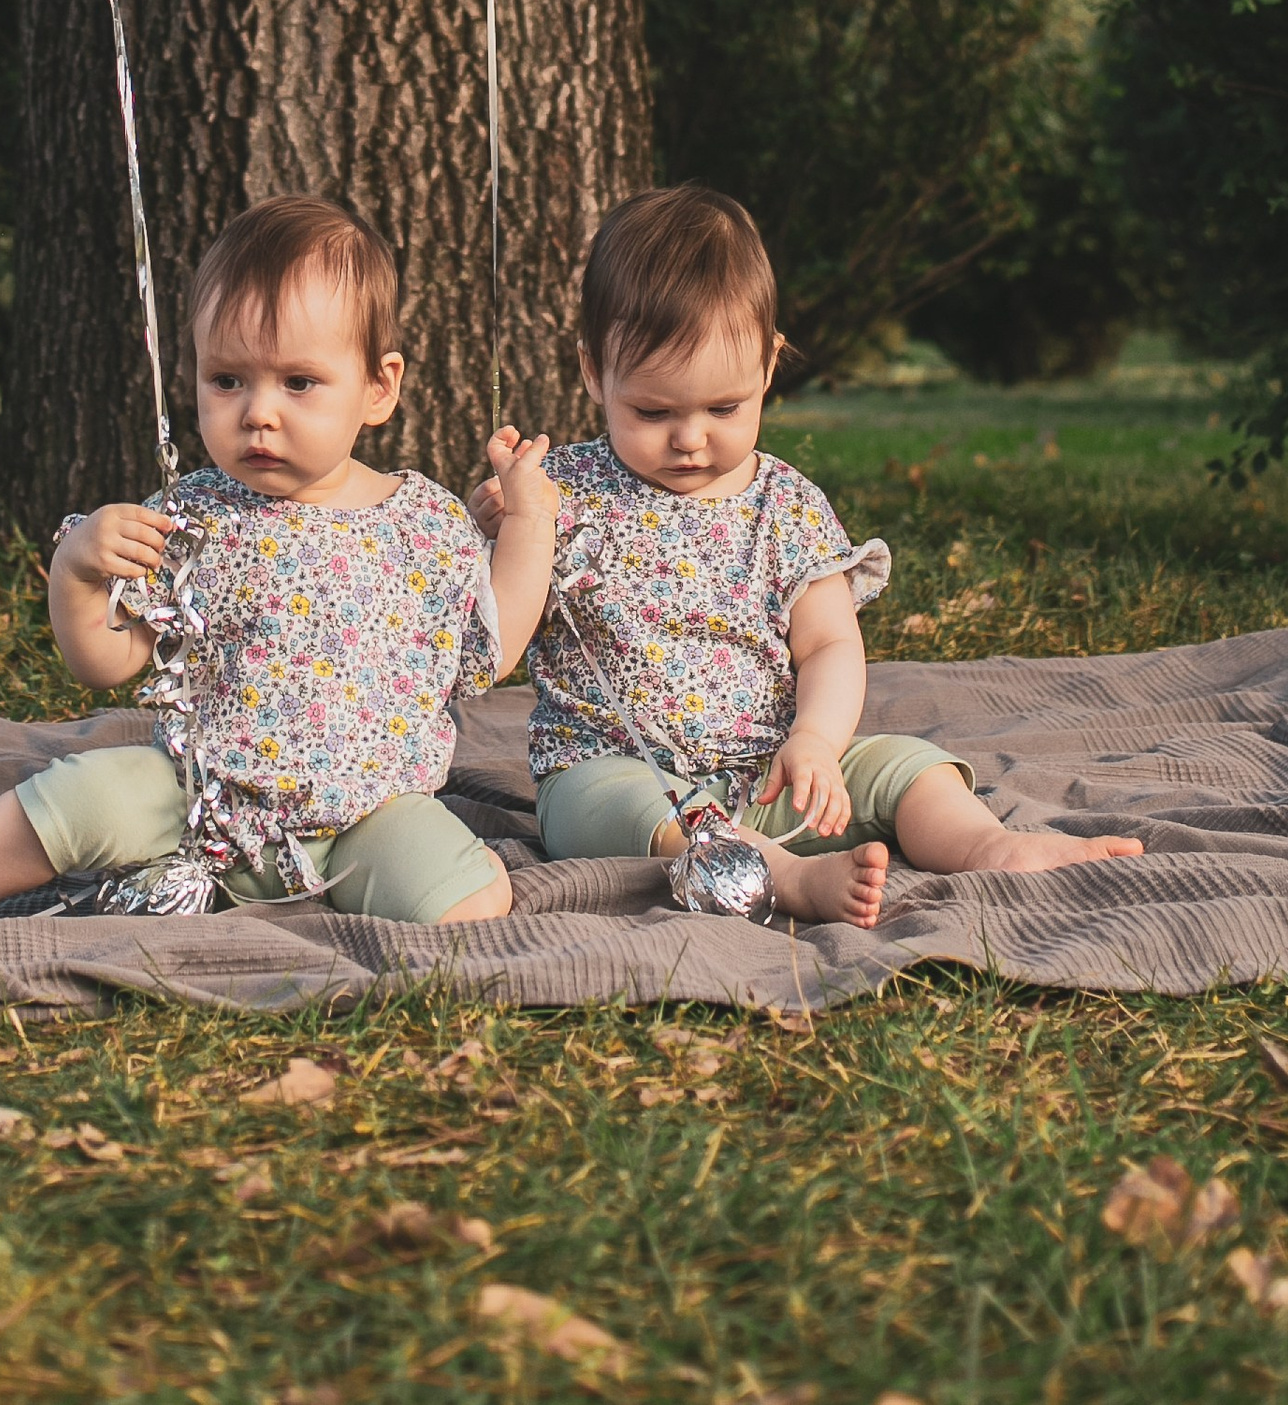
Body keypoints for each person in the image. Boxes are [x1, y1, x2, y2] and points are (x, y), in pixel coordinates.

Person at [0, 195, 556, 925]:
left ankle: (384, 877)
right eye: (227, 379)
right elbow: (107, 661)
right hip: (195, 798)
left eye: (299, 382)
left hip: (372, 812)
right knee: (82, 794)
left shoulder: (420, 520)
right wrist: (79, 572)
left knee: (467, 904)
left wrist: (528, 525)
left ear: (378, 387)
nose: (258, 410)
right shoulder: (192, 515)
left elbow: (489, 646)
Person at [474, 183, 1143, 927]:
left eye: (722, 408)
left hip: (773, 768)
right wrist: (514, 529)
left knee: (905, 769)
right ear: (594, 372)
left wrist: (816, 742)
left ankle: (984, 843)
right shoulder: (560, 492)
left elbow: (827, 640)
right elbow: (501, 628)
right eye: (653, 411)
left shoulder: (787, 506)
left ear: (768, 363)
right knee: (611, 806)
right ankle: (783, 877)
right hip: (622, 773)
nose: (690, 437)